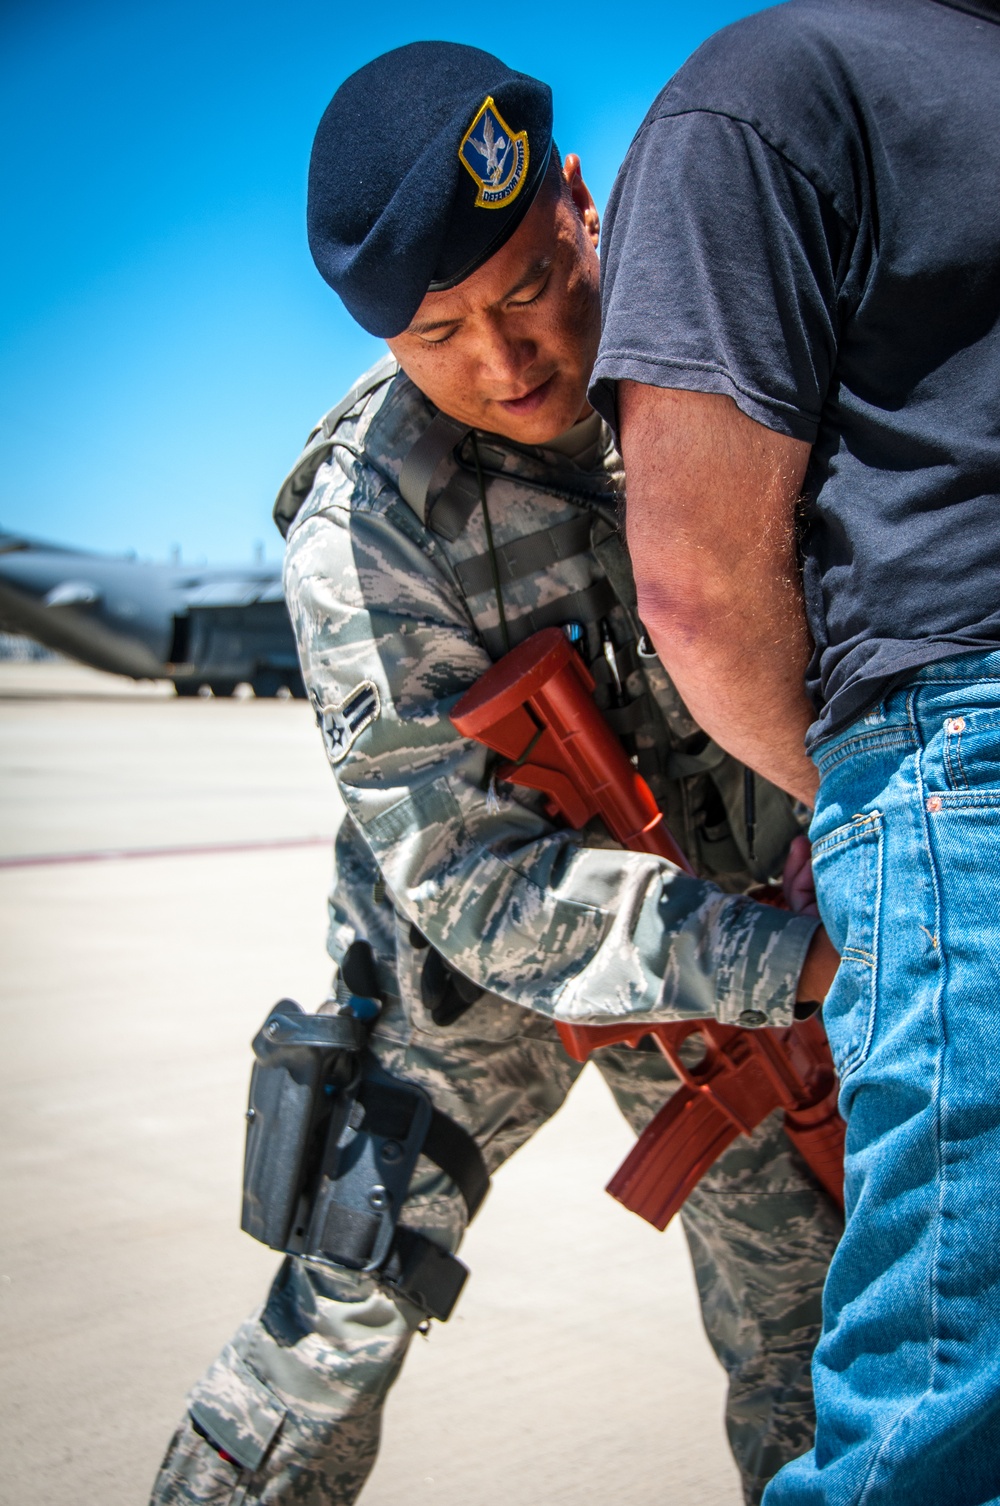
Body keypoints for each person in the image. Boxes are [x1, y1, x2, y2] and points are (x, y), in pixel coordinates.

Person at [150, 43, 842, 1506]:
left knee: (816, 1347)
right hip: (468, 984)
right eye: (440, 334)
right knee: (326, 1338)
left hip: (733, 966)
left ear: (581, 205)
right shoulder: (363, 522)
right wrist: (794, 963)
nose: (508, 358)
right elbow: (471, 880)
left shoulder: (729, 353)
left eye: (528, 284)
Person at [589, 2, 1000, 1502]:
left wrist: (880, 812)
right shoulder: (780, 95)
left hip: (946, 784)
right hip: (685, 923)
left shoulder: (764, 88)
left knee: (939, 1417)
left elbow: (691, 590)